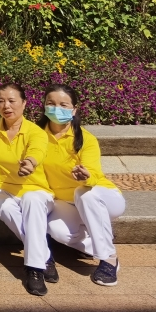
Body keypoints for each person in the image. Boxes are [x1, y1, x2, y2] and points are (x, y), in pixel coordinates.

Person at [42, 84, 125, 286]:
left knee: (84, 193)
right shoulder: (36, 136)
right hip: (64, 201)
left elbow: (94, 175)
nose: (56, 109)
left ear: (74, 110)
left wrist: (86, 177)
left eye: (63, 105)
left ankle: (109, 258)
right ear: (44, 106)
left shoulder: (86, 139)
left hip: (102, 197)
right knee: (56, 230)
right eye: (51, 103)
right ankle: (98, 237)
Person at [0, 83, 55, 296]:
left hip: (35, 188)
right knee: (0, 203)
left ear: (24, 103)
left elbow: (37, 150)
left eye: (11, 101)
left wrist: (30, 162)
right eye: (1, 101)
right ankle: (44, 255)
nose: (6, 106)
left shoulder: (35, 132)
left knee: (32, 199)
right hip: (2, 188)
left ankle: (34, 269)